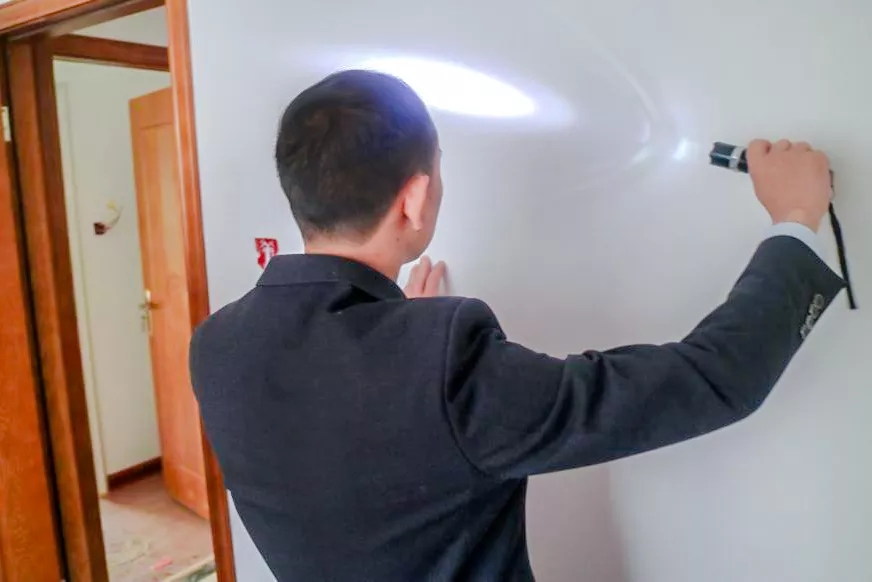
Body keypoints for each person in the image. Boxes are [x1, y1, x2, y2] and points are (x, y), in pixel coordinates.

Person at [189, 70, 845, 581]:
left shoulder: (217, 347)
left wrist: (400, 335)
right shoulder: (444, 365)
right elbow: (713, 378)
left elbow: (348, 450)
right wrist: (795, 219)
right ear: (415, 198)